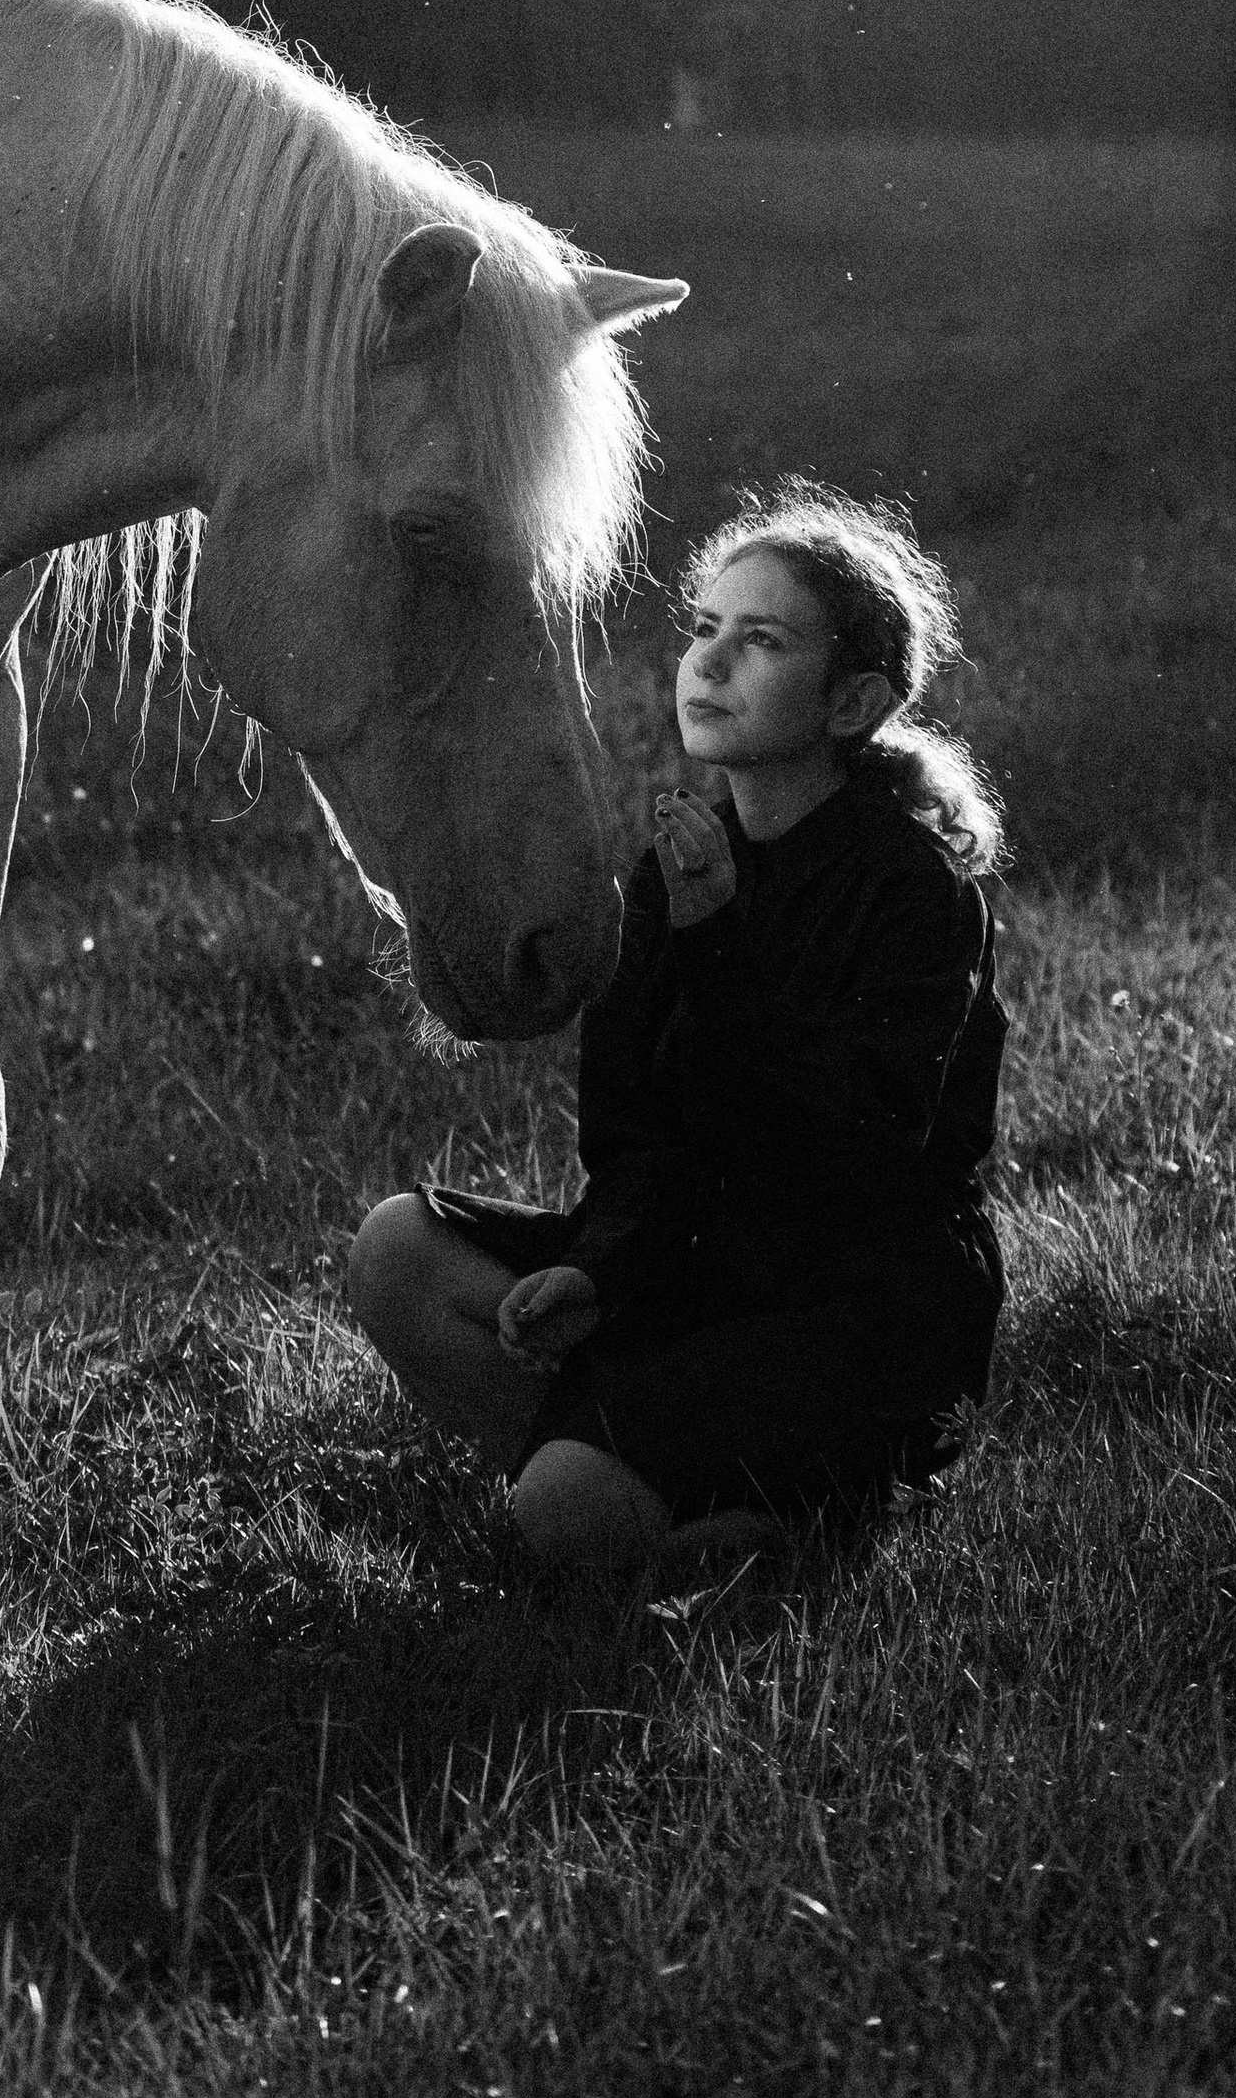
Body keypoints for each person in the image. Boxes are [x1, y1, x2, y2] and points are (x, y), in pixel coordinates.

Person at [347, 485, 1009, 1572]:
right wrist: (599, 1270)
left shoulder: (910, 889)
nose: (708, 662)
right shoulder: (675, 869)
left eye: (761, 641)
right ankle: (652, 1494)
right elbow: (633, 1138)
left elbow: (853, 1153)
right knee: (396, 1253)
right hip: (694, 1277)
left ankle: (796, 1515)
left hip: (852, 1308)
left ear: (851, 704)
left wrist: (718, 948)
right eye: (702, 629)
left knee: (559, 1513)